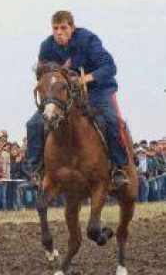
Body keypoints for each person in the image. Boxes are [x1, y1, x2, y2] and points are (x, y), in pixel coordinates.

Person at [23, 10, 130, 188]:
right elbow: (43, 74)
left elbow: (109, 67)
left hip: (97, 90)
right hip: (64, 94)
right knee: (33, 124)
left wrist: (84, 79)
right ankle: (34, 171)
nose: (59, 32)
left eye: (63, 28)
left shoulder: (88, 40)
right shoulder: (47, 46)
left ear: (72, 27)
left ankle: (119, 168)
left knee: (112, 120)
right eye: (55, 28)